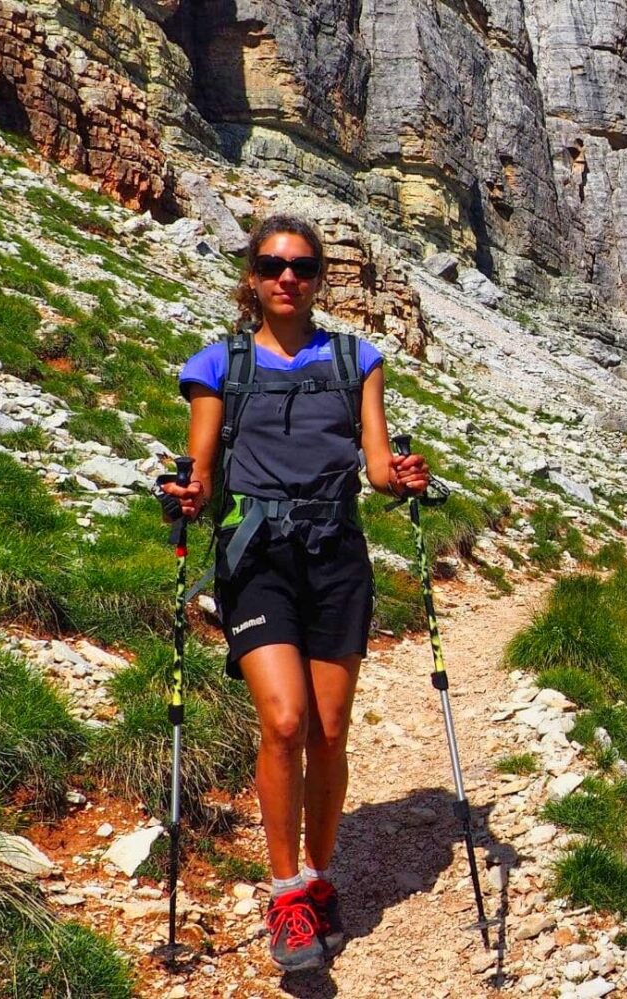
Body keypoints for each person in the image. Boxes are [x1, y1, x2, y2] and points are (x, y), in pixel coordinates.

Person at [161, 214, 430, 972]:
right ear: (251, 276)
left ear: (318, 278)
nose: (288, 277)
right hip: (257, 557)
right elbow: (204, 472)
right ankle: (286, 893)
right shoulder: (218, 365)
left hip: (337, 555)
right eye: (274, 264)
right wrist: (184, 492)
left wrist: (403, 477)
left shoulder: (358, 359)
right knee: (284, 720)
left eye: (303, 266)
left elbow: (377, 466)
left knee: (331, 728)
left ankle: (318, 877)